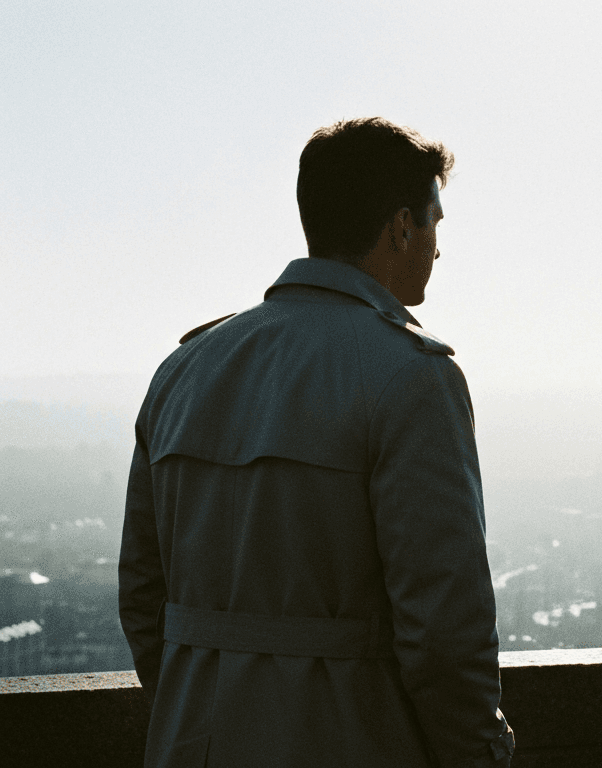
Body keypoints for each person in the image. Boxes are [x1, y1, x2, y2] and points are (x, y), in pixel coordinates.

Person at [119, 118, 514, 767]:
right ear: (401, 226)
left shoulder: (185, 370)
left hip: (190, 741)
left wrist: (197, 702)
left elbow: (143, 594)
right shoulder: (412, 376)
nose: (438, 249)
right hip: (352, 739)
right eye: (435, 224)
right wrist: (479, 753)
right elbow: (443, 624)